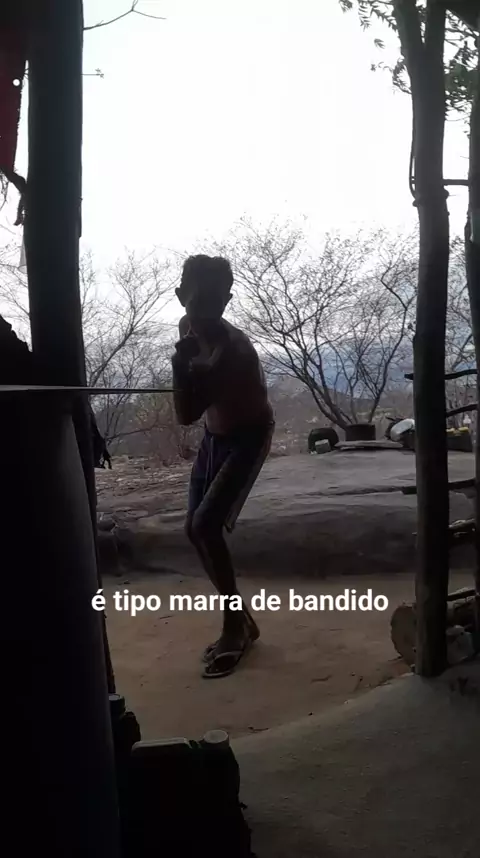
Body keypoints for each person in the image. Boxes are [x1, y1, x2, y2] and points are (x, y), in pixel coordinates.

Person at [172, 254, 274, 678]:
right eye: (198, 301)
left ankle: (236, 625)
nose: (205, 312)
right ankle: (241, 621)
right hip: (214, 437)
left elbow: (185, 412)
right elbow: (195, 409)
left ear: (227, 301)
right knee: (195, 528)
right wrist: (184, 366)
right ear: (181, 297)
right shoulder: (188, 328)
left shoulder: (232, 350)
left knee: (205, 525)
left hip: (248, 436)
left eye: (216, 302)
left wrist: (179, 366)